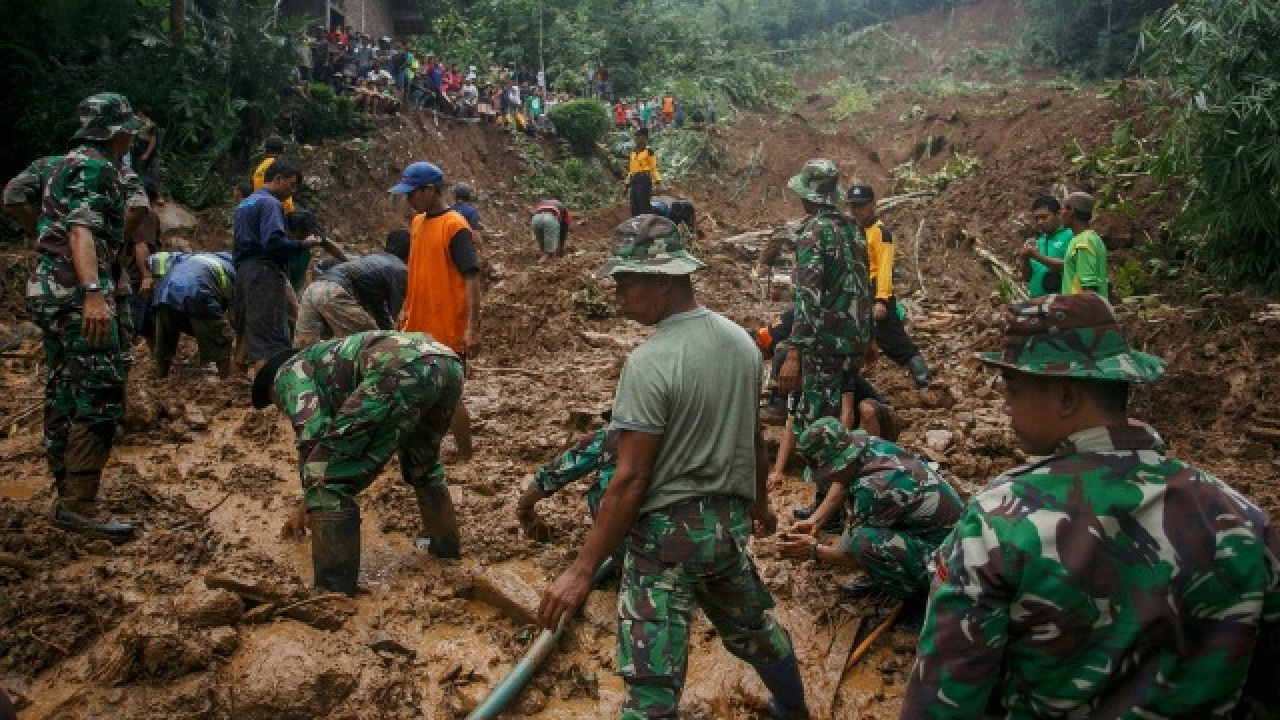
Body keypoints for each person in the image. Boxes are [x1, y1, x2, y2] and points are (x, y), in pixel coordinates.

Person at [902, 293, 1280, 717]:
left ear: (1065, 396)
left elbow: (943, 703)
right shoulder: (1244, 521)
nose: (1005, 406)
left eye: (1013, 389)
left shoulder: (999, 521)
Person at [536, 215, 809, 720]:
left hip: (666, 541)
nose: (618, 297)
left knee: (652, 677)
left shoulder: (649, 361)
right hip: (725, 530)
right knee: (753, 630)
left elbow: (632, 476)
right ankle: (794, 709)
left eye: (625, 283)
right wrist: (761, 504)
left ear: (662, 280)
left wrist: (579, 570)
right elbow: (753, 436)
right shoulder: (743, 344)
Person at [255, 331, 467, 595]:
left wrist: (313, 498)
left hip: (398, 368)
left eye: (275, 403)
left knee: (328, 480)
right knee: (422, 464)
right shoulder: (323, 361)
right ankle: (446, 551)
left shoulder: (286, 375)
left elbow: (313, 436)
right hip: (446, 362)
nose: (280, 408)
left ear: (272, 391)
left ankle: (334, 591)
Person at [26, 93, 144, 541]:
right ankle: (79, 504)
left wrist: (43, 244)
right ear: (118, 131)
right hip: (79, 292)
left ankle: (65, 490)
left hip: (49, 289)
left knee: (62, 384)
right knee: (101, 387)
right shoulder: (99, 168)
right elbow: (83, 227)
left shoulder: (52, 164)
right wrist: (94, 291)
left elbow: (14, 196)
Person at [777, 159, 874, 522]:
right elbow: (864, 285)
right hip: (852, 340)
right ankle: (838, 500)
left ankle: (825, 506)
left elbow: (808, 297)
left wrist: (794, 352)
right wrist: (869, 337)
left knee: (819, 425)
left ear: (808, 198)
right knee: (839, 420)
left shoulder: (812, 232)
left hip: (824, 346)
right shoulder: (853, 228)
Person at [778, 417, 963, 606]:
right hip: (946, 538)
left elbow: (853, 555)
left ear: (840, 464)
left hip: (950, 565)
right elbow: (843, 481)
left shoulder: (875, 488)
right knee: (860, 536)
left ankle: (918, 600)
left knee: (866, 542)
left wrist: (813, 550)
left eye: (828, 471)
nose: (827, 477)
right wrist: (815, 521)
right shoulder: (869, 448)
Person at [389, 161, 482, 460]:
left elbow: (471, 278)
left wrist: (473, 327)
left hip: (448, 325)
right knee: (419, 388)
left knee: (450, 396)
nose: (408, 200)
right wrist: (406, 307)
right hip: (419, 322)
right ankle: (425, 448)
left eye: (412, 193)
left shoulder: (455, 227)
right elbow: (417, 268)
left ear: (430, 191)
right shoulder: (418, 223)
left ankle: (467, 456)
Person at [847, 184, 931, 389]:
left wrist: (881, 299)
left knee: (893, 340)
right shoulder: (855, 231)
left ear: (873, 204)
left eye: (862, 206)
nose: (858, 210)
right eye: (854, 206)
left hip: (876, 290)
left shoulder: (880, 233)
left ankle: (924, 381)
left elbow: (885, 268)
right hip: (858, 291)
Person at [232, 159, 313, 367]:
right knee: (268, 339)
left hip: (243, 272)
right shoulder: (271, 203)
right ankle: (269, 391)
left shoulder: (245, 203)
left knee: (245, 332)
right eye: (291, 184)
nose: (292, 192)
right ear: (277, 179)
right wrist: (302, 244)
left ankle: (231, 385)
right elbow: (273, 242)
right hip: (263, 273)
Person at [295, 229, 409, 347]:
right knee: (374, 344)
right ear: (410, 252)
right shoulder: (399, 270)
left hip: (313, 288)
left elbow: (379, 309)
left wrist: (389, 331)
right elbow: (399, 314)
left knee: (305, 348)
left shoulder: (373, 260)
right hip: (334, 291)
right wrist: (403, 341)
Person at [516, 409, 617, 542]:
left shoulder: (610, 438)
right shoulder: (649, 436)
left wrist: (524, 506)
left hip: (624, 530)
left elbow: (557, 473)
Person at [148, 251, 236, 378]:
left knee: (164, 338)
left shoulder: (190, 256)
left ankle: (160, 378)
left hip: (164, 292)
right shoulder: (233, 271)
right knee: (221, 338)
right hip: (198, 291)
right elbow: (235, 316)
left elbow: (154, 259)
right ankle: (226, 382)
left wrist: (148, 276)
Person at [1016, 195, 1073, 297]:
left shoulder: (1071, 235)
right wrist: (1025, 259)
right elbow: (1027, 278)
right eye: (1036, 219)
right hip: (1037, 303)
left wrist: (1037, 256)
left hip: (1063, 303)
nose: (1040, 222)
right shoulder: (1038, 242)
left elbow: (1071, 266)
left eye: (1044, 217)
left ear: (1058, 214)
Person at [1060, 191, 1109, 297]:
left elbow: (1088, 286)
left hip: (1080, 311)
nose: (1061, 214)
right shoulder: (1093, 238)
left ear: (1071, 211)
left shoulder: (1083, 242)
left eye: (1063, 209)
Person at [251, 136, 296, 214]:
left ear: (266, 149)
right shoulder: (279, 165)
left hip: (260, 207)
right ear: (282, 150)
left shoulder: (259, 167)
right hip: (280, 208)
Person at [625, 128, 660, 218]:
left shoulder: (649, 152)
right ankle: (636, 227)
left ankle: (647, 225)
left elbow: (653, 167)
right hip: (634, 179)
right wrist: (627, 181)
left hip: (643, 179)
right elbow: (631, 169)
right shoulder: (633, 152)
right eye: (635, 137)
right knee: (634, 205)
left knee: (643, 204)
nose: (636, 139)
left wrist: (657, 180)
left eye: (638, 137)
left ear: (644, 138)